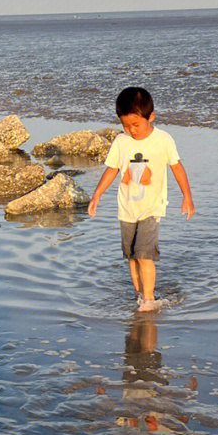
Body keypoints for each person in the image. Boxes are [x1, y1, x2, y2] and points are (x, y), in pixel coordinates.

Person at [88, 86, 195, 311]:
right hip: (126, 208)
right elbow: (112, 170)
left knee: (145, 255)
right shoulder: (121, 141)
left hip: (151, 208)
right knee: (132, 257)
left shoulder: (163, 140)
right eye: (126, 125)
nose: (131, 130)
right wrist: (96, 195)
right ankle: (139, 295)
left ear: (151, 117)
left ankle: (148, 300)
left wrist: (187, 196)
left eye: (136, 125)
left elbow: (177, 167)